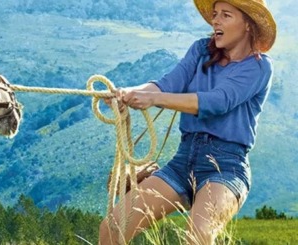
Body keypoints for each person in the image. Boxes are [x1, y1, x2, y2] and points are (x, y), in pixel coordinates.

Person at [99, 0, 276, 244]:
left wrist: (152, 98)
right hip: (183, 159)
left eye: (226, 15)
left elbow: (217, 101)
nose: (216, 21)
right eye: (215, 14)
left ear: (247, 23)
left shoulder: (259, 66)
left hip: (227, 166)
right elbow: (168, 83)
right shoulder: (201, 50)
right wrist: (129, 93)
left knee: (198, 235)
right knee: (113, 227)